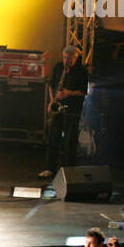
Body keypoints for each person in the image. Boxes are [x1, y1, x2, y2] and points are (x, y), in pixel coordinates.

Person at [40, 45, 89, 179]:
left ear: (76, 58)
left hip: (72, 110)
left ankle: (69, 171)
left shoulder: (82, 71)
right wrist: (51, 101)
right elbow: (51, 85)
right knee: (53, 138)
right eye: (64, 57)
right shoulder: (58, 67)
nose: (66, 61)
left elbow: (84, 92)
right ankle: (50, 168)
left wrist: (69, 93)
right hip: (58, 108)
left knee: (70, 141)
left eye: (69, 59)